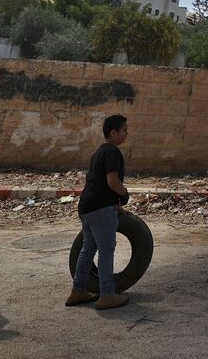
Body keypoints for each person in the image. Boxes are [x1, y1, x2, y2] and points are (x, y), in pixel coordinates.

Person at [67, 114, 131, 311]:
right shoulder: (113, 152)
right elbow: (112, 181)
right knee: (106, 251)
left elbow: (99, 183)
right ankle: (107, 295)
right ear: (113, 133)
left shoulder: (99, 152)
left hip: (87, 207)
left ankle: (78, 290)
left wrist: (115, 203)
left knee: (88, 248)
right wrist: (124, 194)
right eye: (124, 131)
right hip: (100, 209)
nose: (126, 134)